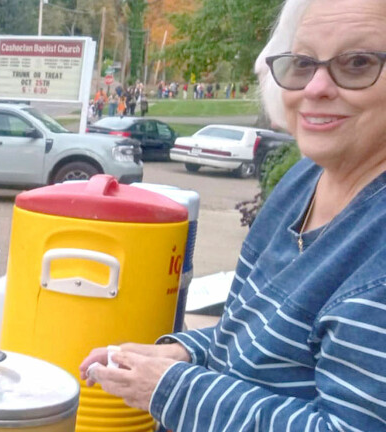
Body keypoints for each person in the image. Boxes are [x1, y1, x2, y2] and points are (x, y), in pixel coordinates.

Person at [80, 1, 386, 430]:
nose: (315, 87)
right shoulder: (307, 179)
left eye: (357, 63)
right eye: (302, 63)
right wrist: (187, 353)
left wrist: (172, 387)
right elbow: (258, 345)